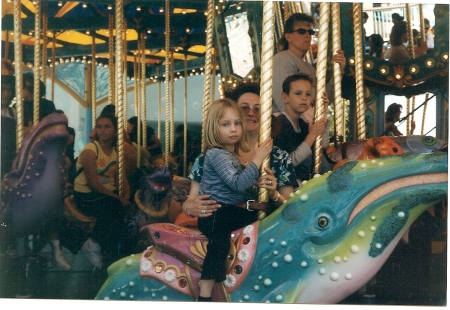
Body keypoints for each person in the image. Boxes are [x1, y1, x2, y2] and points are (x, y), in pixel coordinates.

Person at [182, 82, 298, 219]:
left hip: (265, 226)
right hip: (223, 222)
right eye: (244, 108)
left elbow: (292, 209)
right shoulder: (210, 155)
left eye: (258, 109)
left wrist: (274, 194)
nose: (250, 113)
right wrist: (190, 207)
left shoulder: (279, 157)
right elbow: (191, 200)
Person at [196, 98, 273, 301]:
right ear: (214, 128)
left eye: (237, 123)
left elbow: (241, 183)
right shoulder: (216, 155)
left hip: (230, 210)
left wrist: (257, 183)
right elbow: (237, 184)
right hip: (216, 213)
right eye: (226, 124)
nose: (234, 129)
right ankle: (204, 296)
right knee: (219, 244)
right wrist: (258, 157)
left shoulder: (230, 155)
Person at [73, 114, 131, 269]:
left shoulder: (116, 152)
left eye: (107, 127)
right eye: (99, 127)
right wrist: (118, 197)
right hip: (86, 196)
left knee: (127, 211)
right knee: (114, 204)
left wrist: (127, 195)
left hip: (104, 196)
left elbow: (123, 179)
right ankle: (93, 243)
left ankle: (113, 255)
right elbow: (93, 183)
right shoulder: (91, 150)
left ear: (114, 130)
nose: (103, 131)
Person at [272, 12, 346, 118]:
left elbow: (325, 98)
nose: (307, 35)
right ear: (288, 37)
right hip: (289, 125)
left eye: (310, 32)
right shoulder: (282, 59)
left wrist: (339, 71)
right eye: (301, 31)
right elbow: (283, 101)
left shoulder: (309, 67)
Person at [273, 74, 330, 183]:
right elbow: (289, 162)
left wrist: (323, 112)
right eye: (298, 93)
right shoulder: (279, 124)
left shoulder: (303, 124)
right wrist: (312, 135)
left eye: (308, 94)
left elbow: (324, 145)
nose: (304, 98)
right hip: (287, 180)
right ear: (285, 97)